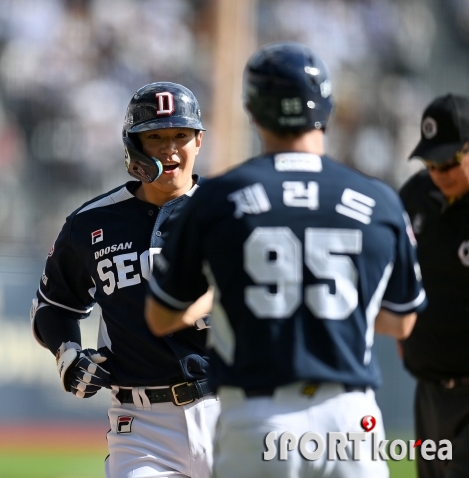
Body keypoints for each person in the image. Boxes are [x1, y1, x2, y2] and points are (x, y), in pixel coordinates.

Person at [144, 42, 427, 478]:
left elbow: (162, 316)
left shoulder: (217, 198)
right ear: (328, 107)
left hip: (257, 417)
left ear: (252, 111)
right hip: (350, 419)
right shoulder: (380, 200)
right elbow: (402, 321)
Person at [30, 82, 220, 478]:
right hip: (141, 427)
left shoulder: (231, 213)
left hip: (231, 409)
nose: (170, 149)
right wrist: (67, 353)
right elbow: (53, 306)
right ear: (134, 147)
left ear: (198, 140)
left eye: (180, 135)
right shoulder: (91, 223)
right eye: (155, 137)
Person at [399, 93, 469, 478]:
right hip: (428, 390)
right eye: (430, 161)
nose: (439, 172)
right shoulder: (415, 196)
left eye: (449, 161)